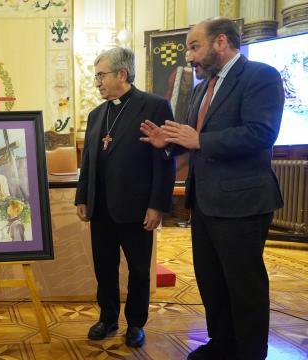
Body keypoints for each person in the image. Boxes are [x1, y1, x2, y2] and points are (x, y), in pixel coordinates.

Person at [140, 17, 284, 360]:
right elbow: (191, 138)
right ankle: (222, 344)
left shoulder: (260, 76)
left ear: (221, 42)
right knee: (212, 280)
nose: (189, 57)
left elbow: (261, 133)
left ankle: (249, 353)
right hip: (204, 200)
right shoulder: (204, 87)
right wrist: (169, 143)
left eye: (194, 47)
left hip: (243, 201)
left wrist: (199, 139)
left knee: (243, 285)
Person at [75, 47, 175, 348]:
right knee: (104, 267)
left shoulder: (155, 107)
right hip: (101, 208)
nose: (97, 83)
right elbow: (89, 161)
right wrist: (83, 197)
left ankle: (135, 323)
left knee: (139, 270)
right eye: (96, 76)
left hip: (136, 207)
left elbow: (164, 160)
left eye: (101, 75)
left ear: (122, 74)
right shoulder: (96, 115)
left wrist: (157, 205)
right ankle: (107, 318)